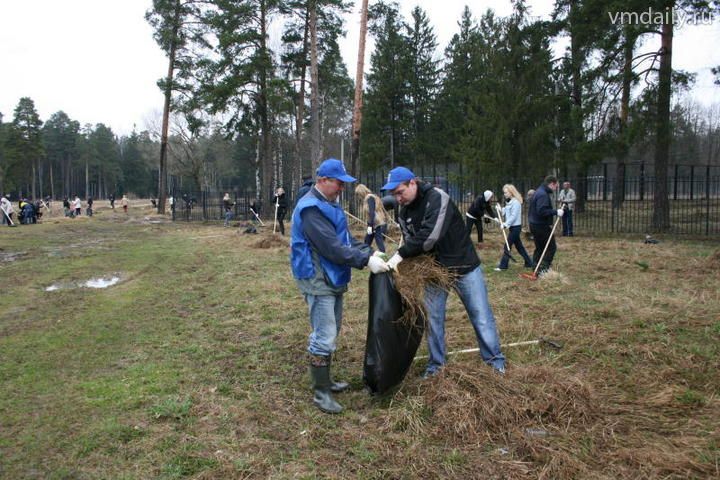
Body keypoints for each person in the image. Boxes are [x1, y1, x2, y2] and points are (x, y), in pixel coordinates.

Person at [381, 166, 506, 378]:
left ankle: (495, 362)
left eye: (400, 192)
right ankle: (436, 366)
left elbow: (430, 237)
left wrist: (400, 254)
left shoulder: (438, 198)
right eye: (394, 195)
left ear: (413, 183)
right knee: (432, 319)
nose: (398, 199)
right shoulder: (404, 213)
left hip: (464, 266)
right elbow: (412, 240)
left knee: (481, 315)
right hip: (434, 271)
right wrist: (402, 261)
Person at [291, 158, 389, 414]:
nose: (342, 189)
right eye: (338, 183)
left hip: (331, 276)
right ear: (323, 181)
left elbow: (344, 239)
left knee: (331, 330)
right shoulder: (311, 209)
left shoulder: (329, 204)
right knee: (324, 335)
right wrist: (365, 261)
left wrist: (368, 251)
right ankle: (321, 393)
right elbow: (331, 248)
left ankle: (327, 381)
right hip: (316, 277)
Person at [528, 175, 564, 275]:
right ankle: (543, 269)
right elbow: (542, 211)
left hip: (534, 224)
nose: (556, 188)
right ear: (551, 184)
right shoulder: (542, 194)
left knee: (540, 247)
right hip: (540, 225)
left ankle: (535, 267)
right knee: (551, 247)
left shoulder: (538, 191)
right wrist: (556, 212)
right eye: (556, 186)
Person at [495, 184, 534, 271]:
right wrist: (500, 209)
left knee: (507, 246)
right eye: (504, 192)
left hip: (516, 228)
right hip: (512, 228)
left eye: (506, 192)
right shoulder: (510, 201)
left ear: (511, 192)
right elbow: (507, 212)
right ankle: (529, 262)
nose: (504, 194)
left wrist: (505, 224)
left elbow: (513, 216)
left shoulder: (516, 202)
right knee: (519, 247)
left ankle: (503, 266)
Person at [355, 183, 389, 253]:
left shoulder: (369, 198)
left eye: (358, 194)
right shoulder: (367, 198)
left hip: (375, 223)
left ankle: (383, 255)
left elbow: (372, 212)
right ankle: (365, 254)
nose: (358, 196)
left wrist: (370, 226)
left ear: (361, 192)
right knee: (367, 240)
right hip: (372, 223)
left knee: (378, 241)